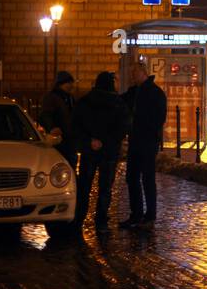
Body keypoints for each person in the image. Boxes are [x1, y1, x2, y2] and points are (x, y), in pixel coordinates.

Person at [72, 71, 130, 234]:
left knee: (84, 187)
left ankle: (79, 219)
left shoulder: (85, 101)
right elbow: (123, 127)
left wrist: (90, 141)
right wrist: (106, 142)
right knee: (105, 188)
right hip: (109, 151)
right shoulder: (118, 104)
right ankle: (101, 221)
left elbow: (76, 125)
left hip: (89, 150)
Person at [121, 61, 168, 229]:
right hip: (136, 140)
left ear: (143, 72)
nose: (132, 76)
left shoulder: (155, 93)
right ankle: (137, 214)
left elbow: (158, 118)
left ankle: (149, 216)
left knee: (147, 178)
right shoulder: (135, 92)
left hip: (147, 141)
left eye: (134, 73)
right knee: (132, 177)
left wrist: (146, 130)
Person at [38, 70, 77, 166]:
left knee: (70, 162)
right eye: (68, 83)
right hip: (58, 139)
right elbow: (45, 115)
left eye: (71, 83)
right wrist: (51, 127)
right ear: (61, 84)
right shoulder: (52, 97)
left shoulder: (69, 97)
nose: (71, 85)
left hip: (69, 138)